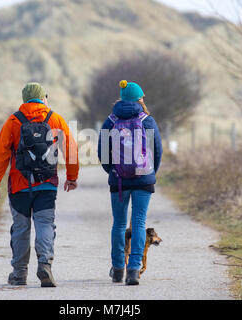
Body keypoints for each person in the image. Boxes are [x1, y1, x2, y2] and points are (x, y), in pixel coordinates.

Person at [0, 82, 79, 287]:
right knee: (45, 224)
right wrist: (72, 177)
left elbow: (0, 154)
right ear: (43, 98)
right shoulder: (55, 118)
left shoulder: (13, 121)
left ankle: (19, 274)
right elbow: (70, 149)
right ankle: (45, 265)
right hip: (46, 184)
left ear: (24, 99)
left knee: (21, 228)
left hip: (19, 185)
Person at [97, 80, 163, 285]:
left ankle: (118, 269)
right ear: (140, 99)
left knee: (118, 223)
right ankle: (134, 271)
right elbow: (157, 150)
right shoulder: (147, 120)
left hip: (119, 180)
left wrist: (112, 171)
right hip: (144, 178)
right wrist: (151, 172)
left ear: (121, 98)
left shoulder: (110, 121)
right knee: (139, 222)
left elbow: (102, 152)